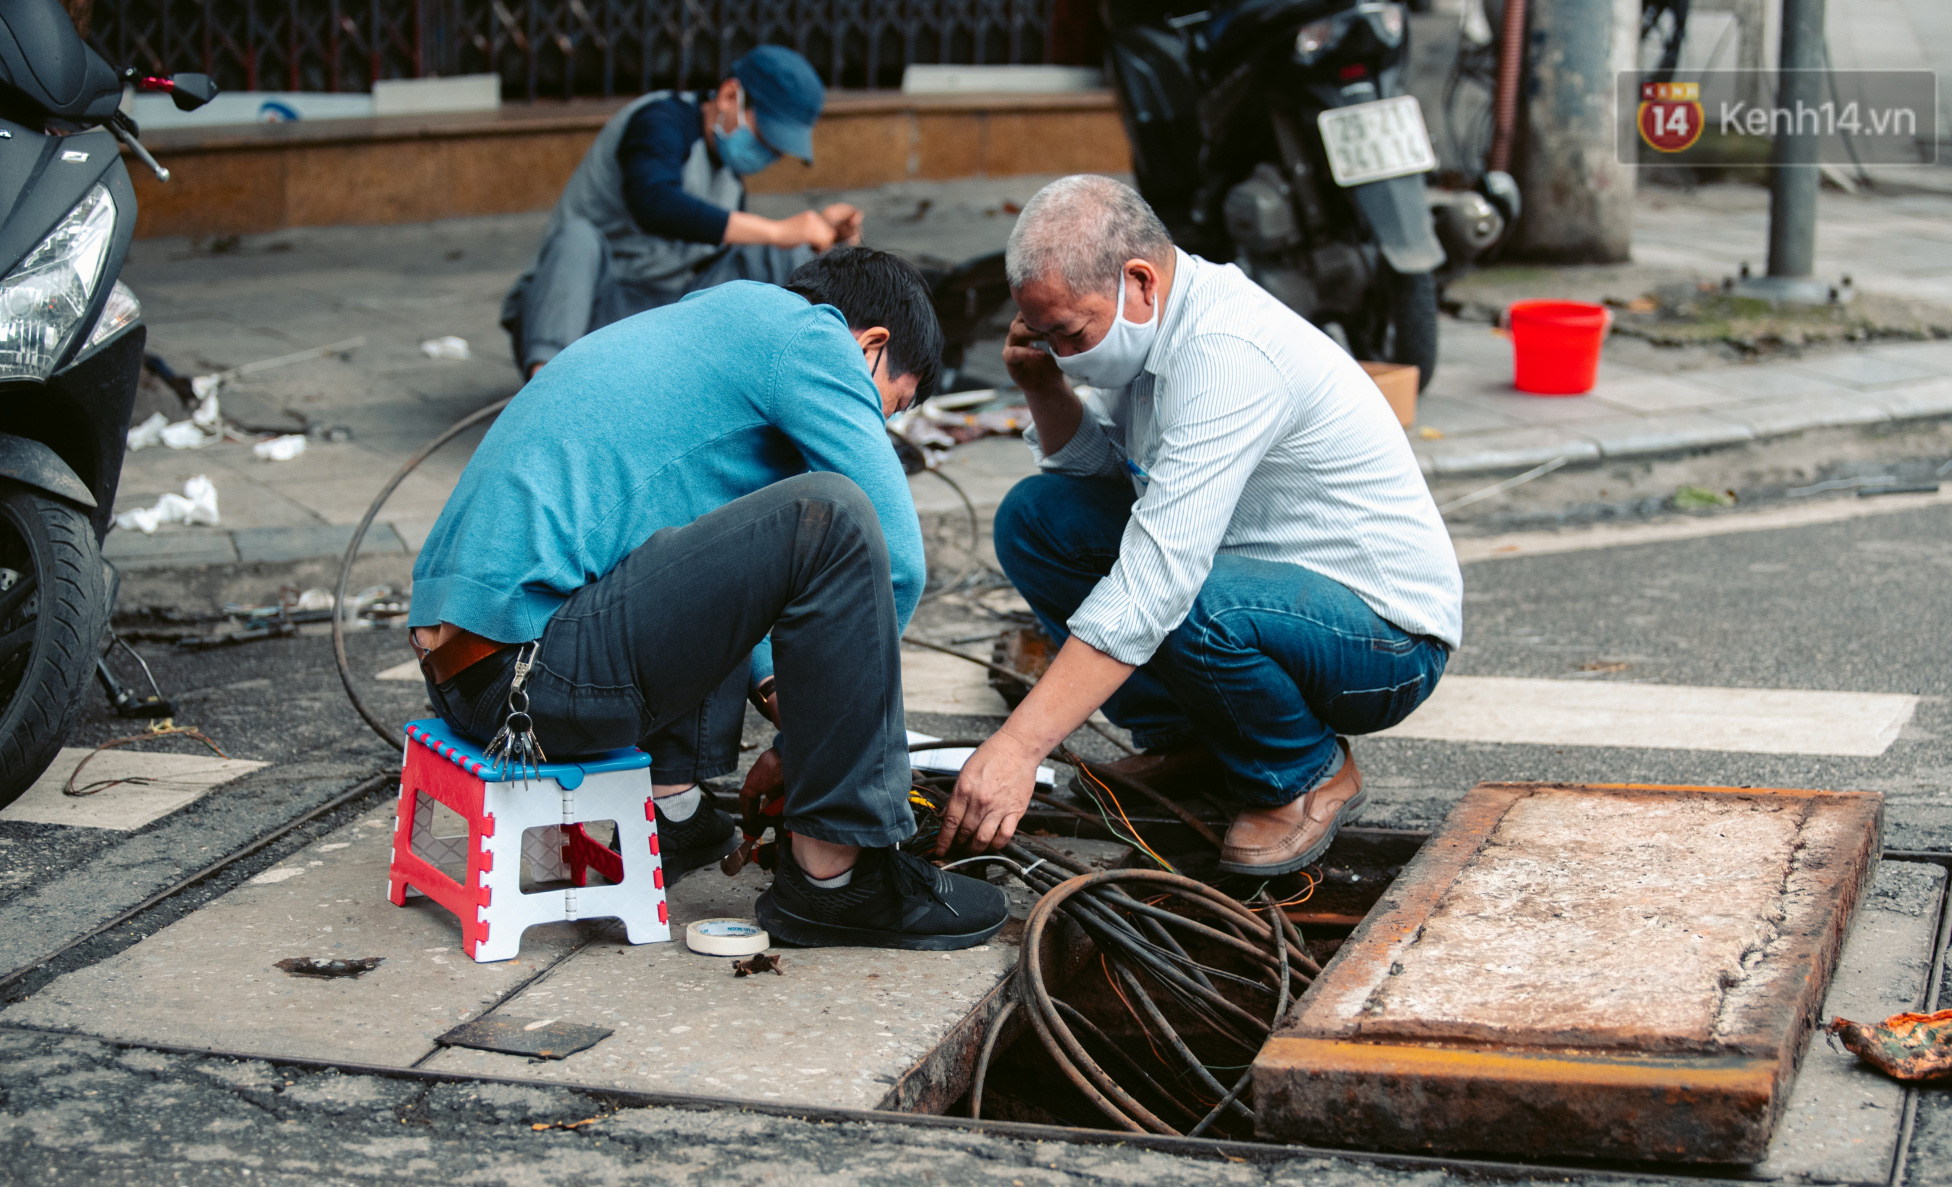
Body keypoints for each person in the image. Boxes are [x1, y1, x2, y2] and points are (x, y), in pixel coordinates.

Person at [412, 248, 1007, 950]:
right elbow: (898, 563)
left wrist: (778, 687)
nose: (875, 424)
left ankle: (674, 808)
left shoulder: (721, 325)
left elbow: (703, 549)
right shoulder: (811, 338)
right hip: (531, 683)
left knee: (739, 519)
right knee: (839, 515)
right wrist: (819, 740)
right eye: (889, 406)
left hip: (475, 672)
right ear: (871, 346)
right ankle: (834, 879)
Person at [938, 175, 1462, 877]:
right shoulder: (1147, 330)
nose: (1062, 351)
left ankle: (1304, 772)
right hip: (1253, 588)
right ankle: (1187, 738)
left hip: (1383, 638)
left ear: (1139, 281)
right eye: (1045, 336)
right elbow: (1107, 485)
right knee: (1038, 520)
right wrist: (1044, 387)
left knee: (1185, 602)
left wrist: (1017, 747)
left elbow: (1157, 581)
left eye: (1069, 333)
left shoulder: (1225, 353)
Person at [501, 45, 867, 378]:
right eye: (764, 139)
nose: (768, 155)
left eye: (776, 150)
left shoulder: (730, 182)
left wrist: (821, 242)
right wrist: (777, 230)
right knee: (575, 239)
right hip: (586, 310)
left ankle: (818, 383)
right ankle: (546, 388)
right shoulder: (660, 120)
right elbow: (655, 203)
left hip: (655, 323)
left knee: (779, 254)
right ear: (729, 95)